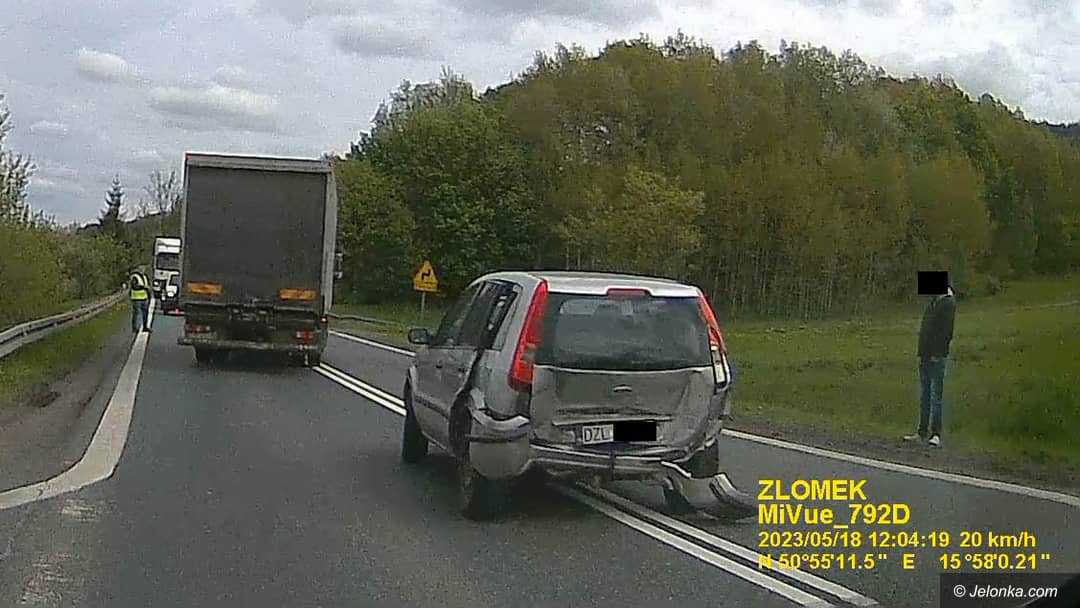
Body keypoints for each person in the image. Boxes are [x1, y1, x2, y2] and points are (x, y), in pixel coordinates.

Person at [904, 285, 955, 447]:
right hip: (926, 354)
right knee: (924, 395)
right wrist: (921, 353)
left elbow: (946, 332)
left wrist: (937, 353)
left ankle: (936, 433)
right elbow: (925, 328)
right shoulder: (933, 303)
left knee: (936, 396)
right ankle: (921, 432)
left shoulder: (947, 304)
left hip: (937, 356)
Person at [129, 266, 152, 333]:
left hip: (144, 298)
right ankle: (135, 328)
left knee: (145, 313)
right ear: (138, 270)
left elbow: (147, 286)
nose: (143, 270)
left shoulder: (145, 277)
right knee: (136, 314)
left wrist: (149, 295)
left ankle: (145, 327)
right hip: (136, 298)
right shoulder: (135, 277)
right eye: (141, 269)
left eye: (144, 269)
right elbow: (134, 286)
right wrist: (143, 287)